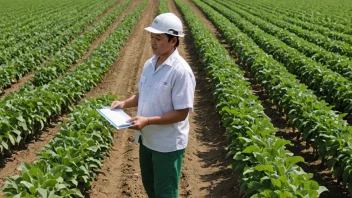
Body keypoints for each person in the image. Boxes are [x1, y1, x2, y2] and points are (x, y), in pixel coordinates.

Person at [110, 13, 196, 198]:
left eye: (158, 38)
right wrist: (123, 103)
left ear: (173, 41)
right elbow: (144, 93)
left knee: (165, 192)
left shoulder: (181, 72)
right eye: (151, 37)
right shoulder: (150, 64)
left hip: (167, 145)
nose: (153, 42)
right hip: (146, 140)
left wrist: (147, 120)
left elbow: (181, 113)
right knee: (150, 187)